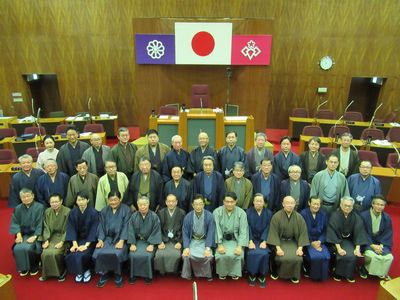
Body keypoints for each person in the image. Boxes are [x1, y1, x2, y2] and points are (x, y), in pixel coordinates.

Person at [267, 196, 309, 284]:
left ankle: (294, 275)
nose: (289, 205)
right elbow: (273, 233)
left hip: (293, 241)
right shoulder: (276, 216)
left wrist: (300, 248)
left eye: (292, 203)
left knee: (297, 258)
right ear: (283, 204)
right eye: (287, 203)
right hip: (280, 241)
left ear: (295, 204)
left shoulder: (299, 217)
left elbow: (303, 233)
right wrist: (278, 248)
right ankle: (277, 272)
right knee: (282, 257)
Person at [93, 191, 130, 288]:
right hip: (107, 238)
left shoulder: (126, 210)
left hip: (120, 238)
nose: (113, 202)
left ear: (120, 199)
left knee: (117, 253)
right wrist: (100, 240)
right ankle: (105, 273)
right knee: (100, 251)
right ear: (108, 200)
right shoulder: (104, 210)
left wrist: (122, 240)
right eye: (111, 200)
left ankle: (117, 274)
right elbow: (100, 226)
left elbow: (127, 226)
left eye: (115, 200)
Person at [326, 196, 368, 283]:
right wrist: (339, 248)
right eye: (345, 205)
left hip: (349, 241)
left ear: (352, 207)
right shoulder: (335, 215)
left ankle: (348, 274)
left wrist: (357, 248)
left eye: (349, 206)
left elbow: (359, 232)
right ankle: (337, 273)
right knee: (342, 253)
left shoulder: (356, 217)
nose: (347, 207)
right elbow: (332, 232)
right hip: (336, 241)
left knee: (352, 255)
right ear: (341, 205)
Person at [65, 191, 99, 283]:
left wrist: (86, 245)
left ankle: (87, 270)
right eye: (79, 200)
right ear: (76, 201)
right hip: (77, 239)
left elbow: (94, 229)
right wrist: (74, 244)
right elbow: (71, 228)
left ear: (88, 200)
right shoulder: (73, 212)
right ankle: (79, 272)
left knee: (84, 253)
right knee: (74, 252)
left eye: (83, 199)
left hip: (90, 241)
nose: (81, 202)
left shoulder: (94, 213)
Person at [9, 188, 45, 276]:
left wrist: (35, 236)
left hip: (36, 233)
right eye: (23, 197)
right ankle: (23, 268)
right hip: (23, 234)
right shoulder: (18, 208)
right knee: (18, 248)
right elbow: (15, 222)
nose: (26, 199)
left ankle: (34, 266)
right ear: (20, 198)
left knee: (29, 248)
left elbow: (41, 223)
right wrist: (18, 234)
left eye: (28, 196)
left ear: (33, 196)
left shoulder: (40, 207)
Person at [213, 192, 249, 280]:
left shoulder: (242, 213)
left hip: (235, 240)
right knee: (221, 255)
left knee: (237, 255)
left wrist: (240, 246)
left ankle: (235, 272)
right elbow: (216, 229)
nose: (229, 204)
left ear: (236, 201)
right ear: (223, 201)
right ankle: (222, 272)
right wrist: (219, 244)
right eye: (227, 201)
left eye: (232, 202)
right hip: (222, 240)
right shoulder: (217, 212)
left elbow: (243, 231)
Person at [128, 196, 162, 284]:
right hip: (138, 241)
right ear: (137, 205)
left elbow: (156, 230)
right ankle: (133, 275)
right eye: (140, 205)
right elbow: (130, 230)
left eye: (145, 204)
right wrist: (132, 243)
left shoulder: (154, 216)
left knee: (148, 255)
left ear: (148, 204)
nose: (142, 207)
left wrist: (152, 244)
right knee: (132, 255)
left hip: (149, 241)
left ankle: (148, 275)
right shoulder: (133, 216)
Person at [181, 195, 215, 281]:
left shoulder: (209, 216)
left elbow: (211, 232)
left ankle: (207, 274)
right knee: (187, 255)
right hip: (193, 240)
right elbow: (185, 233)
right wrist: (186, 247)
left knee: (208, 256)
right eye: (196, 204)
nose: (198, 206)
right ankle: (188, 274)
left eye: (200, 204)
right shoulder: (188, 217)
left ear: (204, 204)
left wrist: (208, 248)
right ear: (192, 205)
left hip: (205, 241)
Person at [359, 195, 393, 280]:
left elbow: (388, 233)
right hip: (366, 242)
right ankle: (364, 268)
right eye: (377, 204)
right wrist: (371, 245)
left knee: (389, 257)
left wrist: (381, 245)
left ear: (384, 206)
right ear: (372, 204)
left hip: (381, 243)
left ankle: (380, 272)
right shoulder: (363, 216)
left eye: (382, 205)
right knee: (372, 255)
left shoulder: (387, 218)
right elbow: (361, 232)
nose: (379, 207)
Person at [39, 193, 71, 282]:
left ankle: (60, 273)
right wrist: (46, 240)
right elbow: (46, 227)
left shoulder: (67, 211)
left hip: (63, 238)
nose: (54, 204)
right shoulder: (47, 211)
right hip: (51, 237)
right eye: (52, 202)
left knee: (55, 253)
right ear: (49, 203)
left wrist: (62, 241)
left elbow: (69, 228)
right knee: (45, 253)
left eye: (56, 201)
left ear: (61, 201)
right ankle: (46, 274)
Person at [154, 194, 186, 275]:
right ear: (166, 202)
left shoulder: (182, 213)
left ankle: (174, 271)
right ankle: (162, 271)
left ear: (176, 202)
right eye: (169, 201)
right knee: (159, 254)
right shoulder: (161, 213)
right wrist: (160, 241)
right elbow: (157, 229)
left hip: (176, 240)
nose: (171, 203)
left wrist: (180, 242)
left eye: (173, 201)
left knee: (176, 255)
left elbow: (184, 230)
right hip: (164, 240)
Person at [300, 197, 330, 281]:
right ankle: (313, 275)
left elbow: (325, 231)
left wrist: (320, 241)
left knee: (326, 256)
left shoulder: (323, 214)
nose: (316, 206)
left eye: (318, 204)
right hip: (307, 241)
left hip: (320, 240)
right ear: (309, 203)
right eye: (314, 204)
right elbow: (302, 231)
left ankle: (323, 276)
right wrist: (311, 242)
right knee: (315, 256)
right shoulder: (303, 214)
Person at [246, 194, 272, 288]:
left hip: (263, 240)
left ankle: (262, 274)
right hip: (252, 239)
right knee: (251, 252)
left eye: (260, 201)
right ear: (253, 202)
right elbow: (246, 227)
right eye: (256, 201)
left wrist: (265, 241)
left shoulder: (269, 213)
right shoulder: (248, 212)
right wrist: (250, 240)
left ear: (264, 202)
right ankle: (252, 274)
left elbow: (269, 228)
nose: (258, 203)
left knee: (264, 253)